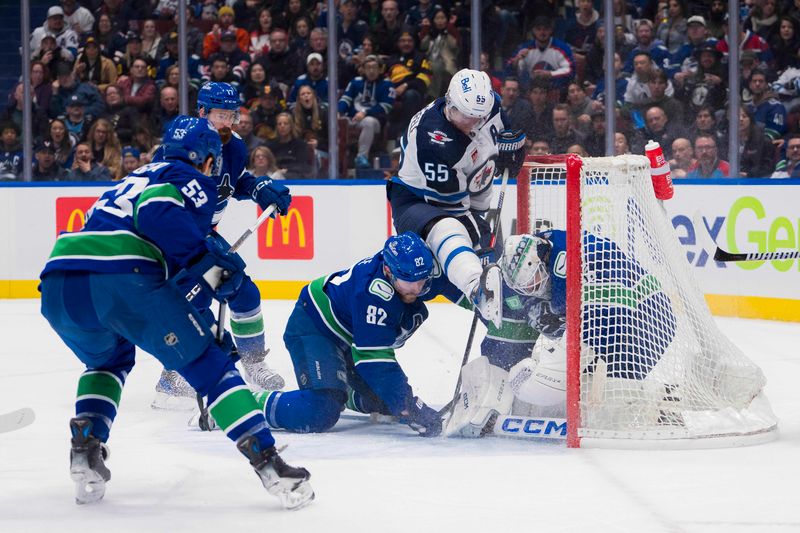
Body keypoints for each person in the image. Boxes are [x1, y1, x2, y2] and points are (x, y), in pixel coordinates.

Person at [39, 116, 313, 510]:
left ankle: (86, 447)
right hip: (120, 277)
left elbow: (164, 255)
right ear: (204, 159)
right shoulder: (188, 176)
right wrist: (214, 266)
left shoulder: (131, 178)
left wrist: (204, 277)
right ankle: (270, 464)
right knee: (212, 367)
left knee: (109, 360)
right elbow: (159, 216)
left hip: (60, 282)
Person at [446, 231, 677, 437]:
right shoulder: (542, 248)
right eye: (525, 288)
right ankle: (646, 397)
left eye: (533, 281)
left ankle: (658, 401)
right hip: (626, 317)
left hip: (646, 321)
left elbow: (577, 341)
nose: (532, 289)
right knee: (588, 398)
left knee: (606, 411)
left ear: (541, 260)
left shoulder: (570, 266)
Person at [153, 82, 292, 408]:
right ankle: (172, 376)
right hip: (173, 241)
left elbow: (234, 180)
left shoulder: (235, 146)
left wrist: (258, 188)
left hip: (204, 236)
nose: (228, 121)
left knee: (242, 291)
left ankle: (254, 363)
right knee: (191, 301)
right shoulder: (179, 146)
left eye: (232, 113)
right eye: (220, 114)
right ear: (201, 112)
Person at [248, 233, 451, 436]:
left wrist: (478, 293)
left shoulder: (412, 270)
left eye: (422, 279)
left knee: (386, 400)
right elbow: (376, 361)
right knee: (321, 411)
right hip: (313, 327)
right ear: (388, 271)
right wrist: (410, 407)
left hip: (350, 338)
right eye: (409, 281)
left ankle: (339, 387)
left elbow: (455, 286)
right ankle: (243, 404)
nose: (417, 288)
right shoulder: (373, 295)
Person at [387, 68, 527, 329]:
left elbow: (503, 140)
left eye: (478, 117)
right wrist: (482, 244)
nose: (472, 123)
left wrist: (511, 153)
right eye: (466, 116)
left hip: (469, 201)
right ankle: (477, 288)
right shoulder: (434, 141)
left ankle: (507, 343)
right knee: (450, 231)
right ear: (450, 102)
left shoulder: (489, 105)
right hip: (418, 202)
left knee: (503, 282)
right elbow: (456, 213)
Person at [338, 54, 394, 169]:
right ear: (363, 69)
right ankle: (337, 159)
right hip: (353, 118)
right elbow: (346, 99)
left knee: (368, 122)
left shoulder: (387, 84)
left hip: (375, 122)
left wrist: (365, 113)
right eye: (368, 67)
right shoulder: (355, 82)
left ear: (380, 69)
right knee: (338, 122)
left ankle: (361, 157)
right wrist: (338, 112)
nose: (371, 71)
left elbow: (386, 107)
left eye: (374, 67)